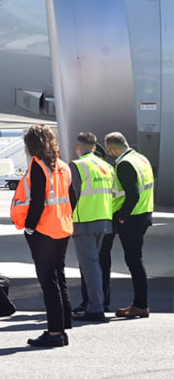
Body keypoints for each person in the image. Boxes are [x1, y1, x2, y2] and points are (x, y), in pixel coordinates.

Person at [11, 124, 76, 347]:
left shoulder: (38, 166)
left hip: (44, 230)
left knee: (48, 281)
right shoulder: (63, 166)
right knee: (59, 275)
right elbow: (72, 197)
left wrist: (29, 227)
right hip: (62, 228)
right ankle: (64, 324)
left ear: (31, 145)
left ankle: (55, 332)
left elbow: (37, 201)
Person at [105, 131, 154, 319]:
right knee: (136, 260)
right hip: (144, 213)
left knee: (134, 261)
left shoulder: (124, 164)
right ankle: (140, 303)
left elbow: (133, 195)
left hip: (133, 218)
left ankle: (140, 305)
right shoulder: (141, 158)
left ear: (112, 150)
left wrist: (122, 217)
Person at [69, 132, 114, 322]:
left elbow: (72, 195)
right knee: (96, 264)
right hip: (104, 219)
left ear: (78, 147)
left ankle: (95, 308)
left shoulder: (78, 165)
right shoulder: (107, 166)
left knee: (90, 266)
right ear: (95, 147)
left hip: (84, 220)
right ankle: (98, 303)